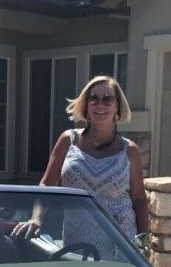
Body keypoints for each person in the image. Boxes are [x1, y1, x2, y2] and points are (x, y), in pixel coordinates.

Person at [15, 75, 149, 249]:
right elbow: (47, 185)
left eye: (107, 99)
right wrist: (36, 218)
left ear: (117, 107)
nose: (100, 104)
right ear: (86, 105)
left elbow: (139, 199)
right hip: (77, 243)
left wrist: (144, 245)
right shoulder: (67, 141)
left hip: (121, 245)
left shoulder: (129, 150)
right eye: (93, 99)